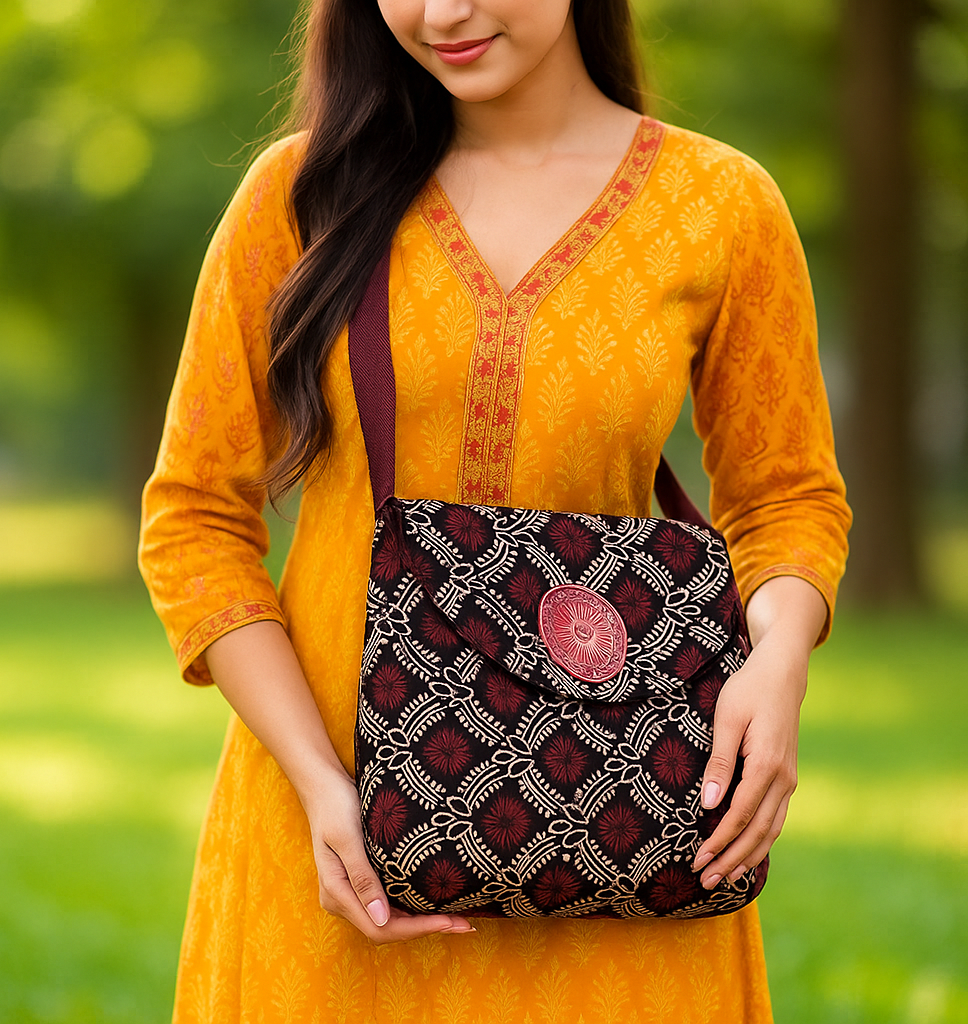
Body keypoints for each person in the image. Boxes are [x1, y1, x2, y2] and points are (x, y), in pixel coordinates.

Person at [139, 0, 852, 1019]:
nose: (441, 14)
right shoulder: (298, 198)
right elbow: (193, 516)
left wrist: (777, 663)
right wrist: (318, 781)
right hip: (334, 835)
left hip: (625, 823)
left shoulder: (720, 204)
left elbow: (786, 495)